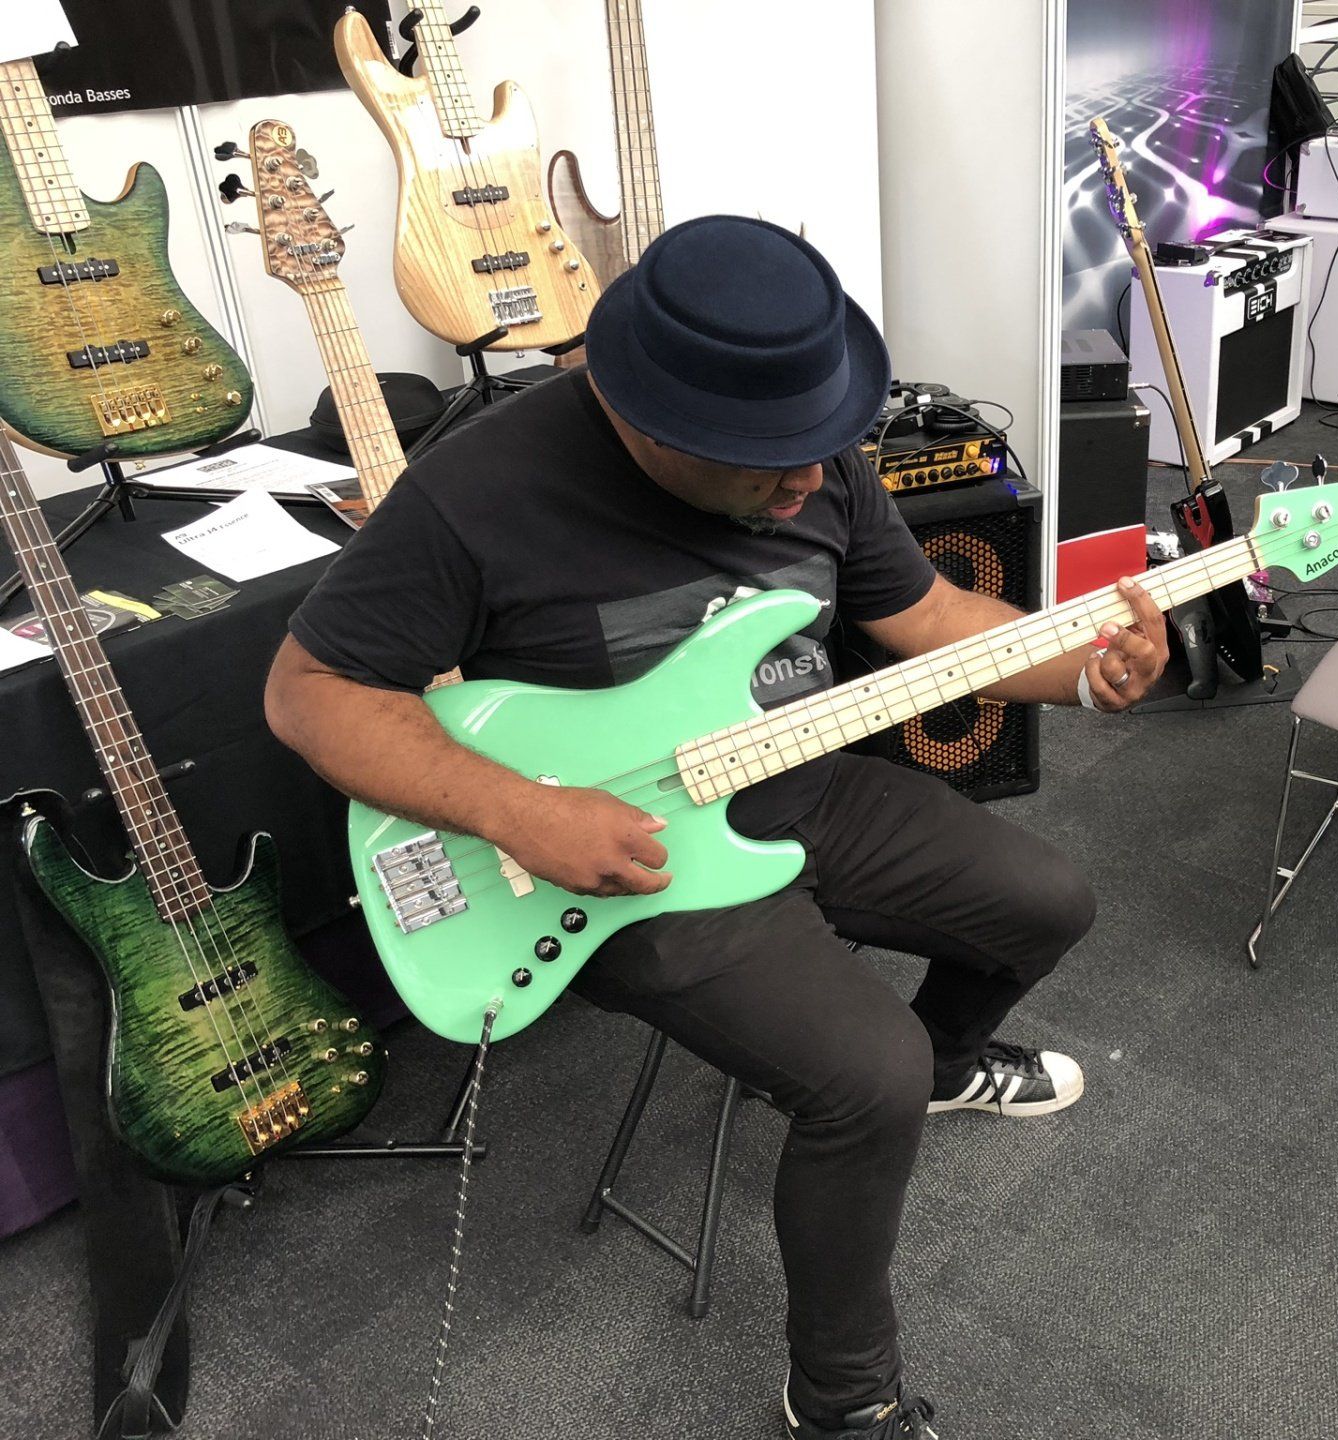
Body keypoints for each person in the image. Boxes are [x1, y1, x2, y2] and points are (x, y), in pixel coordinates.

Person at [263, 216, 1170, 1440]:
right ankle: (844, 1401)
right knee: (867, 1078)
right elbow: (309, 693)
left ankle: (952, 1063)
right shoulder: (479, 492)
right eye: (765, 466)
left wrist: (1084, 673)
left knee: (1049, 902)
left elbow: (929, 618)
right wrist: (520, 812)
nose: (806, 485)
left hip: (796, 781)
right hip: (624, 856)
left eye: (816, 448)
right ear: (644, 418)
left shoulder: (817, 458)